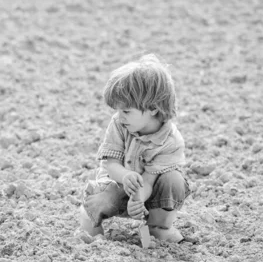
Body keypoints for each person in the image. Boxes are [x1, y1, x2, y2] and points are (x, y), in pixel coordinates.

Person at [78, 54, 190, 243]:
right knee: (97, 199)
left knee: (174, 180)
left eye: (126, 111)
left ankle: (159, 228)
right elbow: (111, 164)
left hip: (151, 192)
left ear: (153, 108)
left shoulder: (170, 140)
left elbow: (150, 179)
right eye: (118, 111)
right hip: (117, 185)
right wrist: (125, 176)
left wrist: (137, 199)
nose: (120, 116)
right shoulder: (119, 124)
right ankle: (92, 226)